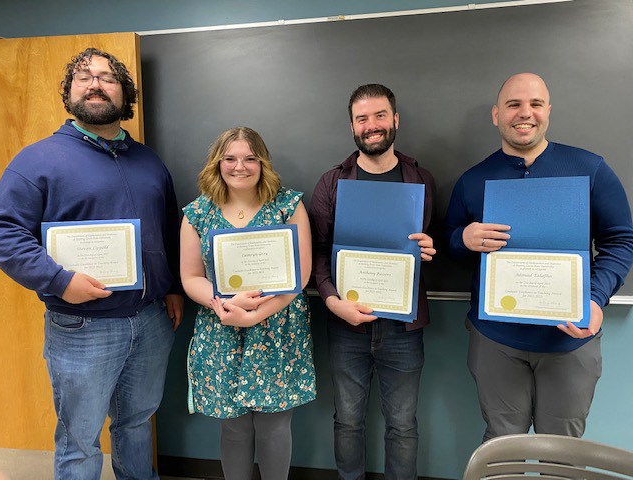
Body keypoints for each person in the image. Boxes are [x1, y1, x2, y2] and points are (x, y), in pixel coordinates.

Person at [0, 48, 183, 478]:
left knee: (136, 424)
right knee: (79, 437)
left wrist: (171, 286)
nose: (95, 84)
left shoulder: (149, 161)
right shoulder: (36, 160)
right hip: (82, 325)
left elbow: (169, 228)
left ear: (124, 93)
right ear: (70, 92)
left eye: (108, 78)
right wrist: (58, 280)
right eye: (84, 77)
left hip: (152, 321)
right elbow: (1, 231)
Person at [444, 72, 633, 442]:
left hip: (569, 341)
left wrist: (595, 301)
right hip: (495, 341)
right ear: (497, 115)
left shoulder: (590, 168)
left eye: (535, 104)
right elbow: (450, 247)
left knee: (561, 450)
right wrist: (463, 239)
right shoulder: (473, 180)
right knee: (501, 444)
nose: (524, 113)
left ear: (549, 111)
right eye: (513, 104)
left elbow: (620, 241)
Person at [309, 84, 436, 480]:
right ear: (352, 126)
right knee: (348, 421)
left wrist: (431, 249)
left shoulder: (420, 179)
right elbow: (317, 252)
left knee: (403, 425)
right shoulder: (332, 182)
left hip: (403, 326)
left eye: (380, 115)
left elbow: (434, 245)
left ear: (395, 120)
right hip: (347, 322)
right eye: (362, 118)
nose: (372, 125)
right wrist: (332, 300)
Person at [180, 127, 316, 480]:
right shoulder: (197, 213)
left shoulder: (288, 205)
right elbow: (191, 277)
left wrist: (256, 316)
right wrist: (222, 303)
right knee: (234, 429)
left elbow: (300, 276)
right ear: (218, 163)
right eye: (230, 158)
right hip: (221, 327)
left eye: (250, 158)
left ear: (262, 163)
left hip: (276, 330)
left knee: (274, 429)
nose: (240, 166)